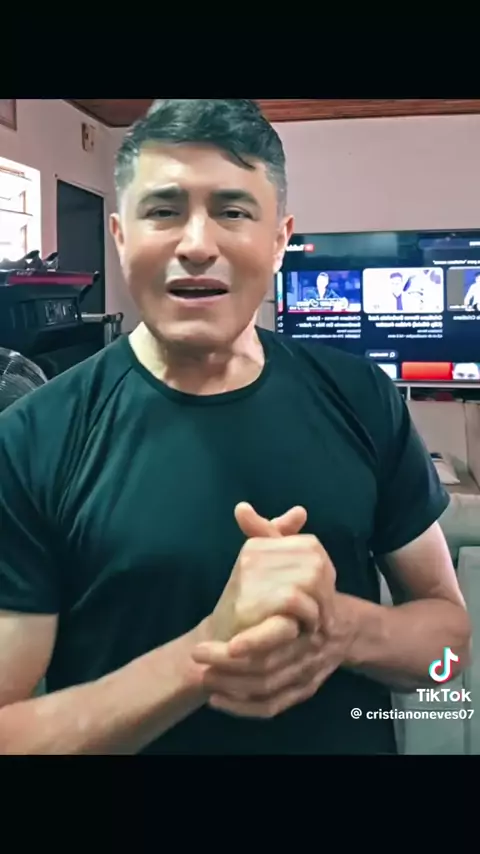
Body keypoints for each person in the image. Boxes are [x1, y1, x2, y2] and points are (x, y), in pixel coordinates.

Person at [0, 99, 471, 755]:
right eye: (163, 211)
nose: (197, 245)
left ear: (279, 239)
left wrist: (341, 626)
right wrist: (204, 657)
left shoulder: (365, 398)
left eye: (233, 211)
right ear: (120, 236)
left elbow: (448, 653)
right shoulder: (31, 440)